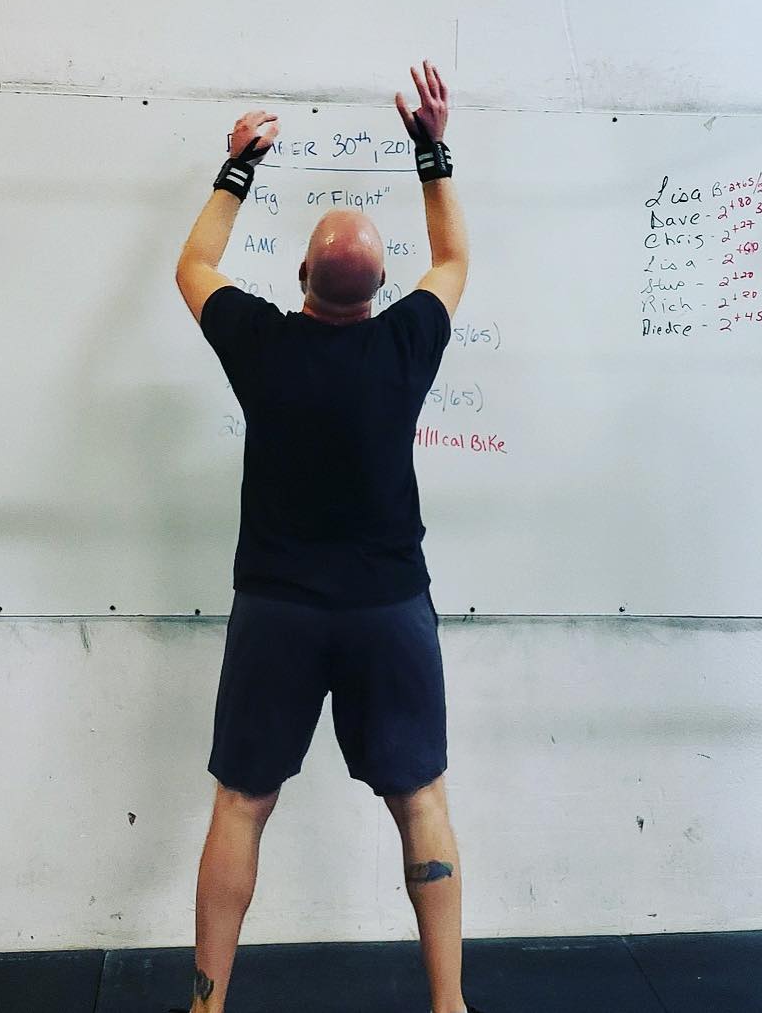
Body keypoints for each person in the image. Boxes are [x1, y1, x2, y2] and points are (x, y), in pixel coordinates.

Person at [172, 61, 481, 1013]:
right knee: (421, 799)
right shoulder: (407, 340)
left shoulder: (263, 343)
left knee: (241, 802)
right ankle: (449, 1007)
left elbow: (193, 267)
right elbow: (453, 257)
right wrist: (431, 149)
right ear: (383, 287)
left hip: (279, 609)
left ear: (301, 278)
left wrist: (237, 166)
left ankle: (207, 1008)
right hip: (389, 608)